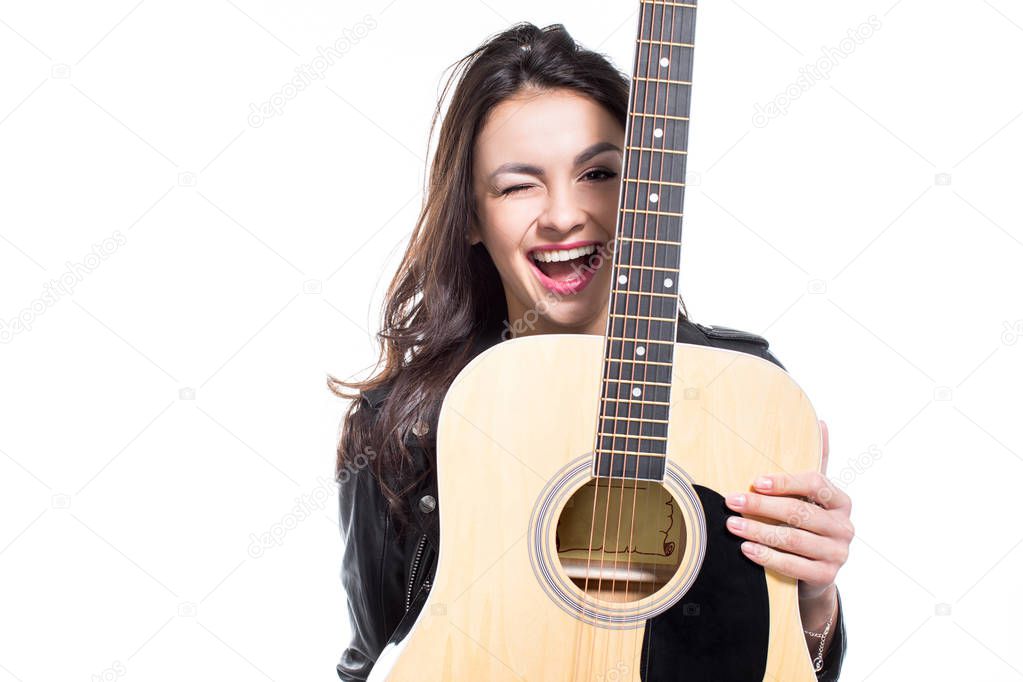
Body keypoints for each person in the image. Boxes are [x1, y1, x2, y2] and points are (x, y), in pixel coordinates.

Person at [329, 22, 852, 681]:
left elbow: (776, 659)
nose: (563, 215)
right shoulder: (405, 420)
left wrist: (813, 597)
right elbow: (370, 661)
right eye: (519, 185)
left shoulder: (747, 394)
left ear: (646, 193)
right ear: (469, 216)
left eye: (598, 173)